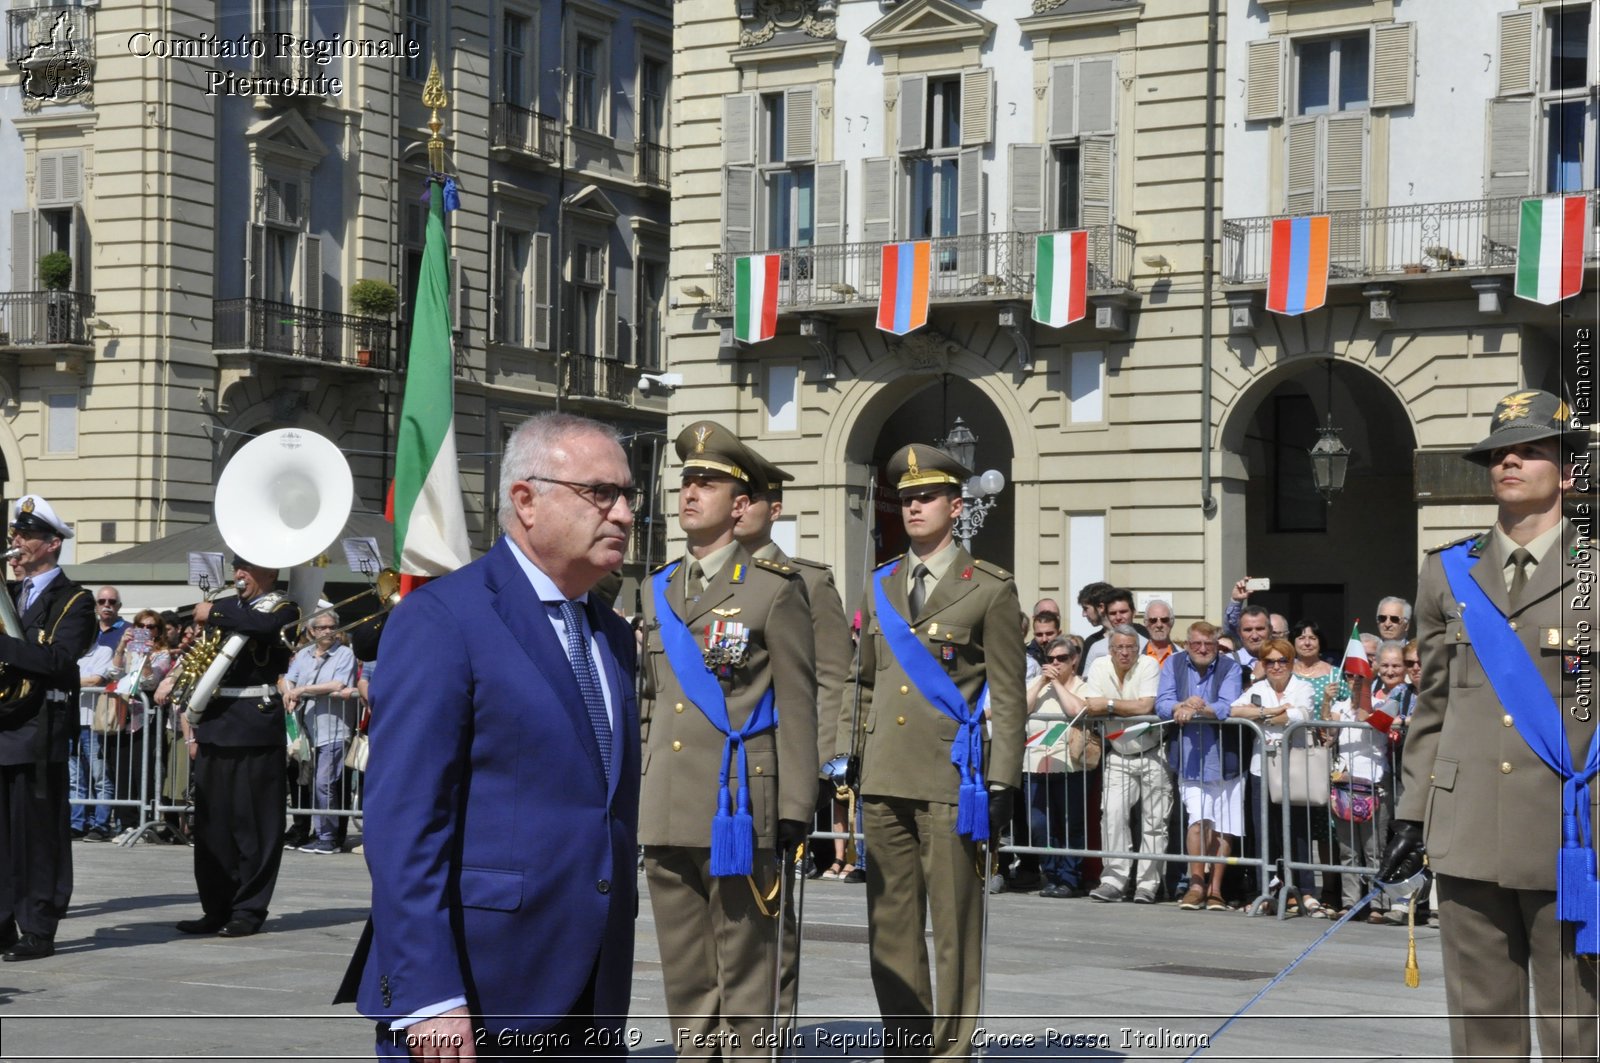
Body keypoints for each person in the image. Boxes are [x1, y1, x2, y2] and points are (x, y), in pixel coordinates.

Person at [343, 413, 641, 1058]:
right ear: (525, 500)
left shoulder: (612, 634)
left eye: (627, 495)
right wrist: (428, 996)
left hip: (591, 986)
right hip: (476, 989)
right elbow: (405, 822)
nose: (621, 513)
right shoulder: (444, 618)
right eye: (600, 492)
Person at [1379, 388, 1599, 1061]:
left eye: (1531, 450)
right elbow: (1433, 705)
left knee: (1575, 1030)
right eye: (1501, 452)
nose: (1511, 461)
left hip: (1571, 837)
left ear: (1566, 471)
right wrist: (1413, 815)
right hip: (1467, 827)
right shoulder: (1446, 573)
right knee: (1481, 1032)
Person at [840, 443, 1024, 1061]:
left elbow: (1009, 691)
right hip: (884, 775)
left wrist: (1004, 781)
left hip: (954, 782)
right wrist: (846, 757)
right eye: (907, 498)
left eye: (926, 497)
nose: (914, 507)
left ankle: (951, 1051)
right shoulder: (880, 584)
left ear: (956, 504)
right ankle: (907, 1050)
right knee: (890, 929)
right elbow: (860, 681)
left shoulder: (989, 589)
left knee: (954, 928)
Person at [641, 421, 816, 1056]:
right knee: (684, 973)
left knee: (746, 968)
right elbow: (650, 701)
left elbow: (798, 704)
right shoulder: (656, 587)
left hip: (737, 805)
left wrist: (796, 806)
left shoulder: (773, 591)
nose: (690, 492)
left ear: (740, 506)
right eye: (686, 481)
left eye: (707, 483)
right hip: (666, 801)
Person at [734, 448, 851, 1020]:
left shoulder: (806, 582)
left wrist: (814, 769)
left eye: (748, 496)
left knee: (769, 912)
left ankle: (770, 1036)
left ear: (772, 508)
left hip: (775, 767)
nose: (734, 507)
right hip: (711, 772)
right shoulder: (691, 582)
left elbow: (833, 678)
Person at [173, 557, 300, 939]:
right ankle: (216, 906)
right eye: (237, 567)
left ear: (271, 571)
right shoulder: (229, 607)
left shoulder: (284, 608)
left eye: (247, 568)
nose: (238, 574)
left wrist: (214, 612)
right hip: (216, 721)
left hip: (254, 723)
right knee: (214, 824)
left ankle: (248, 908)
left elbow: (264, 626)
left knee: (255, 823)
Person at [0, 495, 96, 961]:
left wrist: (4, 645)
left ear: (52, 544)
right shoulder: (11, 593)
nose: (15, 542)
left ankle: (38, 926)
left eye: (26, 536)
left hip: (39, 729)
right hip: (3, 724)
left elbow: (59, 659)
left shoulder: (74, 600)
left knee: (38, 835)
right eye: (15, 535)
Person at [1157, 621, 1244, 911]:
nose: (1203, 649)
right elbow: (1162, 702)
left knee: (1223, 827)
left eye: (1209, 644)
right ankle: (1196, 884)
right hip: (1190, 756)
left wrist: (1199, 707)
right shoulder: (1174, 664)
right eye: (1196, 644)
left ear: (1217, 644)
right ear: (1187, 644)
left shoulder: (1230, 667)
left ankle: (1215, 889)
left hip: (1226, 756)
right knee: (1197, 821)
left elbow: (1227, 705)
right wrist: (1178, 706)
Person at [1229, 637, 1315, 915]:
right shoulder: (1257, 688)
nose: (1277, 666)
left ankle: (1305, 890)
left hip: (1294, 767)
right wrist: (1273, 711)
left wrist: (1262, 716)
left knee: (1298, 831)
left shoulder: (1303, 686)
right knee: (1264, 832)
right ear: (1262, 664)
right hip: (1261, 768)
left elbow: (1302, 713)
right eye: (1270, 662)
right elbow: (1233, 710)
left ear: (1292, 663)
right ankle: (1266, 890)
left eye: (1283, 661)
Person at [1083, 625, 1165, 903]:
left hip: (1153, 751)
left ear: (1138, 648)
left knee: (1155, 821)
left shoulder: (1150, 664)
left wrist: (1107, 705)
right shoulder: (1098, 666)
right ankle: (1114, 880)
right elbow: (1089, 705)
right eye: (1120, 647)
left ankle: (1147, 884)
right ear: (1110, 649)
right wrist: (1120, 705)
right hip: (1117, 753)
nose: (1126, 652)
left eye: (1131, 647)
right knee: (1113, 816)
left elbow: (1145, 708)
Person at [281, 612, 360, 855]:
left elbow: (338, 684)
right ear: (312, 631)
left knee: (324, 784)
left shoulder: (345, 653)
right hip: (306, 729)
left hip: (333, 728)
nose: (328, 631)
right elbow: (287, 678)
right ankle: (316, 831)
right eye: (322, 627)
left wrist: (302, 690)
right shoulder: (304, 654)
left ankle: (328, 836)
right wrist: (288, 691)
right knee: (309, 783)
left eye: (332, 627)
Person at [1024, 636, 1096, 898]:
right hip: (1035, 764)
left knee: (1070, 824)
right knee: (1039, 825)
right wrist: (1042, 681)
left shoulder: (1081, 685)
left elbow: (1076, 710)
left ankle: (1069, 877)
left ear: (1073, 660)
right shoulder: (1038, 684)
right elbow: (1021, 708)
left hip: (1069, 767)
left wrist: (1056, 683)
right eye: (1050, 659)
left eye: (1061, 659)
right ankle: (1051, 874)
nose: (1055, 663)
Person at [72, 641, 115, 841]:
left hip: (92, 723)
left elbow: (95, 680)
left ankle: (101, 824)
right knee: (75, 779)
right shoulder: (69, 652)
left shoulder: (103, 650)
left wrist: (66, 679)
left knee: (100, 777)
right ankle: (77, 823)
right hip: (71, 722)